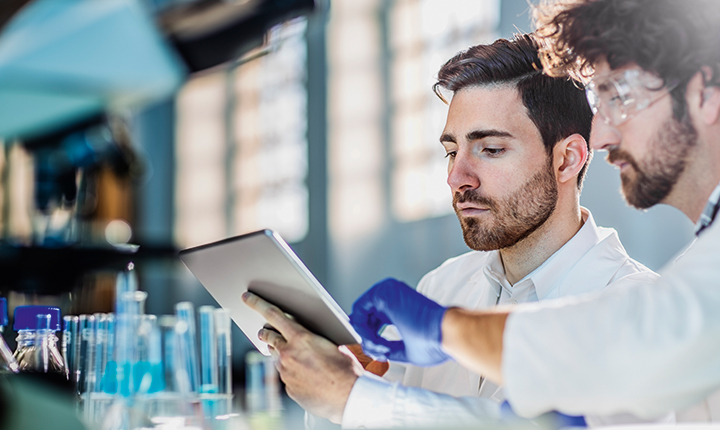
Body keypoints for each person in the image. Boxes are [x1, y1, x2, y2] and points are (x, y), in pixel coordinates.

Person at [242, 34, 667, 428]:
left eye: (491, 149)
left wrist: (352, 398)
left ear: (567, 159)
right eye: (451, 151)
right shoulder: (441, 286)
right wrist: (350, 380)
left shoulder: (641, 312)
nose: (457, 178)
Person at [350, 0, 720, 422]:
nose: (600, 133)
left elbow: (631, 340)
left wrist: (441, 330)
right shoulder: (442, 285)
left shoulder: (640, 294)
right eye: (451, 152)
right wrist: (360, 385)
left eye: (621, 96)